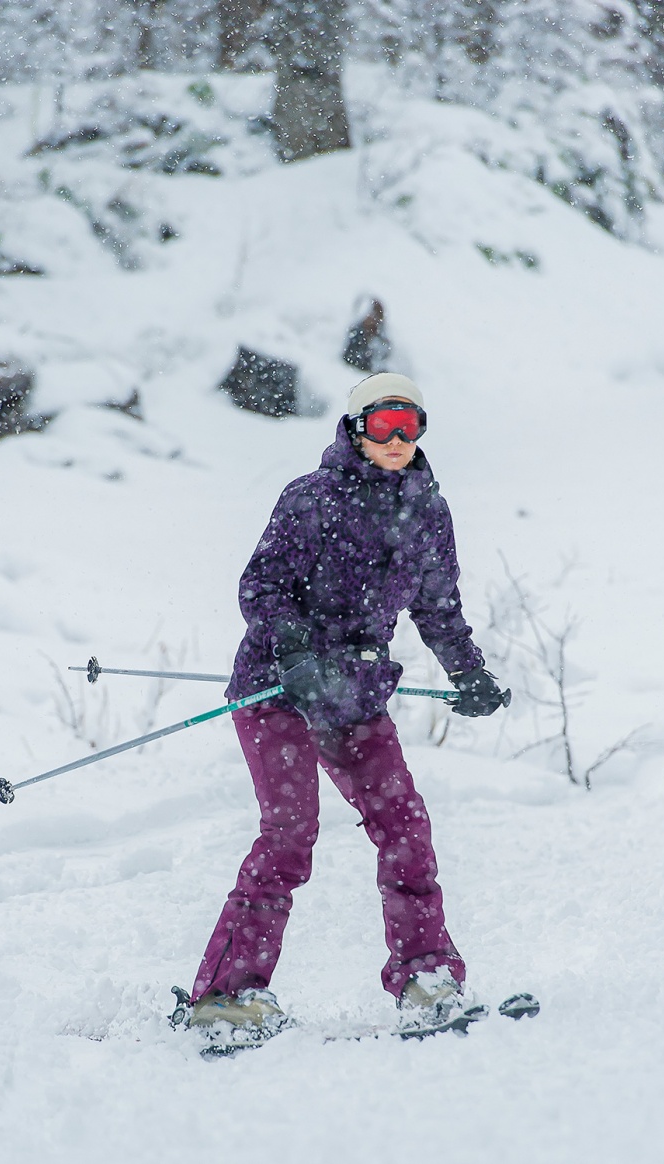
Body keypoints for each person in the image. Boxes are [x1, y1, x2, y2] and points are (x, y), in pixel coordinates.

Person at [187, 372, 509, 1044]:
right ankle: (227, 995)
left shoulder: (427, 510)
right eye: (384, 424)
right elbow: (261, 587)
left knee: (405, 826)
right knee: (289, 833)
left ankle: (426, 976)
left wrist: (469, 672)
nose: (396, 439)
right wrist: (296, 652)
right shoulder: (311, 498)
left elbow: (437, 607)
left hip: (354, 695)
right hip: (280, 689)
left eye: (410, 425)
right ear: (357, 427)